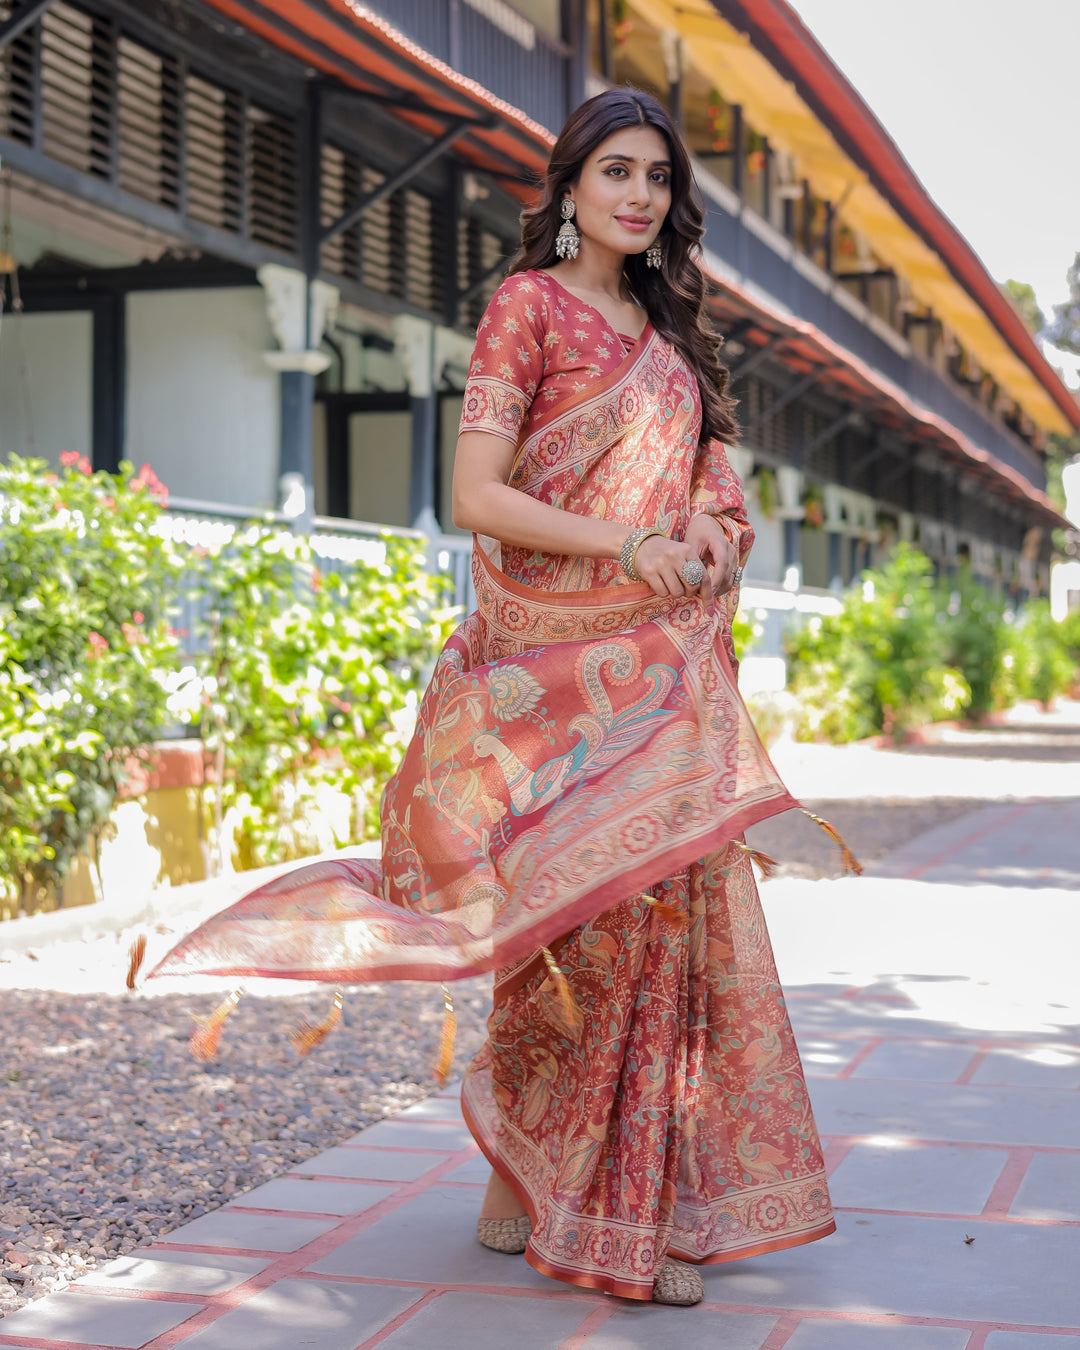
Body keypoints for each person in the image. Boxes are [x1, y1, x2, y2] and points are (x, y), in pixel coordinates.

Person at [149, 87, 836, 1308]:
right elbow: (476, 492)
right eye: (615, 171)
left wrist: (707, 537)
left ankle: (608, 1195)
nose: (639, 195)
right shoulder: (528, 309)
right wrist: (626, 553)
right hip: (548, 676)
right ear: (570, 186)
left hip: (664, 685)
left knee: (651, 935)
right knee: (562, 929)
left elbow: (721, 495)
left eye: (658, 178)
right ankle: (544, 1171)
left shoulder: (673, 335)